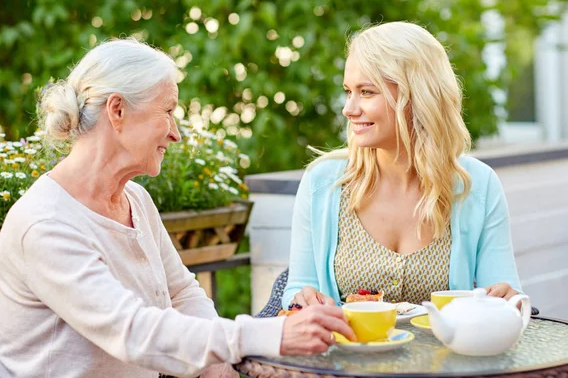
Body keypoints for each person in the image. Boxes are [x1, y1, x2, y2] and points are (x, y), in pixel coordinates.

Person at [0, 38, 355, 378]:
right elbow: (132, 331)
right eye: (168, 111)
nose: (176, 134)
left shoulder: (135, 199)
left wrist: (218, 364)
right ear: (118, 110)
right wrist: (271, 334)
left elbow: (182, 293)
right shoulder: (46, 223)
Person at [282, 22, 523, 309]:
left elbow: (504, 293)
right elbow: (298, 289)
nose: (349, 108)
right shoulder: (322, 183)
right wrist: (300, 301)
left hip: (447, 354)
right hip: (348, 353)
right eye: (348, 91)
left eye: (367, 92)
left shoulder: (477, 185)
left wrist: (508, 300)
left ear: (417, 96)